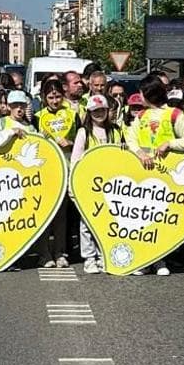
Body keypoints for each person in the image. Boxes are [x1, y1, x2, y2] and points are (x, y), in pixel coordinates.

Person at [124, 75, 184, 275]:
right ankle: (143, 259)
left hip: (165, 175)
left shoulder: (174, 114)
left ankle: (160, 260)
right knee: (144, 216)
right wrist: (140, 153)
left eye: (142, 92)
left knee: (161, 217)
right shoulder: (141, 116)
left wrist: (170, 144)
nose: (139, 96)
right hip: (144, 173)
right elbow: (130, 138)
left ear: (150, 94)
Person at [70, 94, 123, 274]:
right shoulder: (83, 132)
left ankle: (103, 255)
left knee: (107, 220)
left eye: (102, 110)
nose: (99, 114)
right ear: (89, 113)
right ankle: (89, 257)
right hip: (88, 184)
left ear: (108, 111)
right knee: (87, 222)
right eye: (95, 111)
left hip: (110, 184)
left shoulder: (116, 130)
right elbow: (75, 160)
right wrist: (73, 186)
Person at [35, 78, 76, 268]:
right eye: (51, 97)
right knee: (44, 213)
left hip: (66, 168)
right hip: (45, 171)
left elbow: (83, 139)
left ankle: (60, 252)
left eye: (58, 96)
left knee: (61, 215)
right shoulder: (37, 117)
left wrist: (71, 143)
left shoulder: (73, 115)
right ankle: (44, 253)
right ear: (44, 97)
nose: (54, 101)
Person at [0, 90, 37, 154]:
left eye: (22, 105)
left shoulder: (30, 128)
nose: (19, 109)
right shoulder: (1, 122)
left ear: (25, 107)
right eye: (15, 105)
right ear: (8, 107)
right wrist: (11, 132)